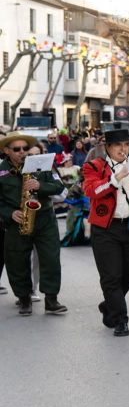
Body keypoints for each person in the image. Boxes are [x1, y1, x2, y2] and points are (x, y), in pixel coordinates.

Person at [82, 123, 129, 336]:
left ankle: (109, 304)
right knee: (111, 276)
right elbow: (91, 190)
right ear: (108, 147)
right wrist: (116, 177)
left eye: (126, 145)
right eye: (118, 145)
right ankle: (121, 319)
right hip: (106, 228)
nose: (123, 149)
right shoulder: (94, 166)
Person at [0, 132, 68, 316]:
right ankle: (24, 299)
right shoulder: (1, 171)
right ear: (6, 151)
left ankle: (51, 300)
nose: (22, 152)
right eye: (17, 149)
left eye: (25, 148)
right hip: (17, 222)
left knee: (51, 260)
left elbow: (59, 186)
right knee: (17, 262)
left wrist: (40, 186)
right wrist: (9, 213)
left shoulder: (41, 164)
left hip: (45, 220)